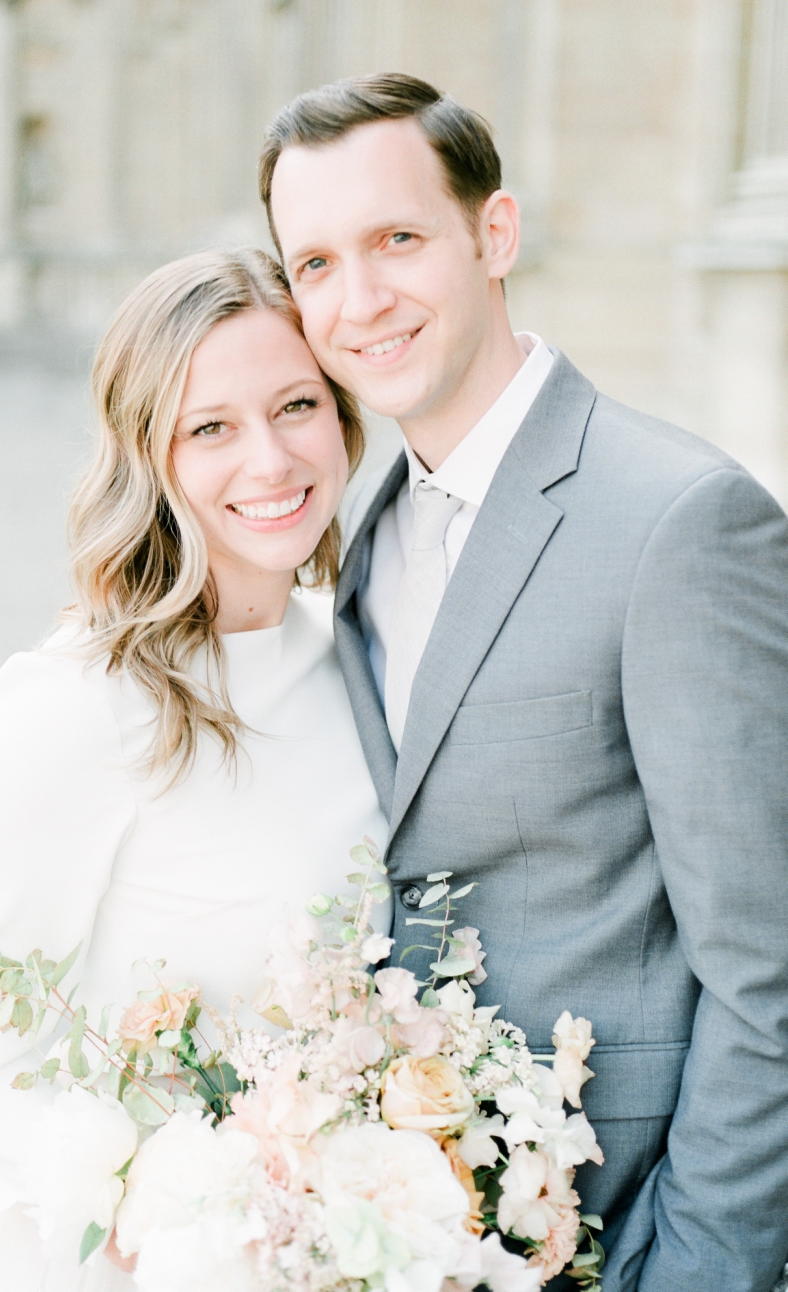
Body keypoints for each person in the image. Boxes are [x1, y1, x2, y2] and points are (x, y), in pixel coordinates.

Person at [260, 73, 788, 1292]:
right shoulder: (362, 531)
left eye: (397, 239)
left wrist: (695, 1271)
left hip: (635, 1229)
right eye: (317, 264)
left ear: (492, 235)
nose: (360, 299)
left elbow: (769, 967)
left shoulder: (679, 520)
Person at [0, 247, 388, 1291]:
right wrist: (180, 1222)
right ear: (146, 457)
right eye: (210, 427)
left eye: (296, 405)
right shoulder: (71, 706)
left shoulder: (363, 656)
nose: (269, 459)